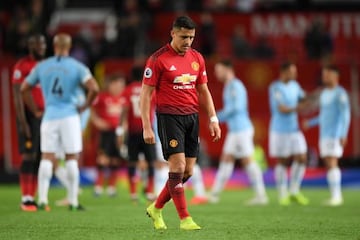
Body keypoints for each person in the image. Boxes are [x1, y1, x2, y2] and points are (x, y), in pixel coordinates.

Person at [140, 16, 221, 230]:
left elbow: (204, 90)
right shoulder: (157, 59)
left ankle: (156, 208)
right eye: (184, 36)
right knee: (178, 166)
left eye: (192, 37)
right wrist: (147, 126)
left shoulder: (197, 58)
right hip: (169, 117)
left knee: (188, 172)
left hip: (191, 117)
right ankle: (185, 218)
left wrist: (213, 118)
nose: (188, 41)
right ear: (173, 33)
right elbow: (145, 95)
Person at [21, 33, 99, 211]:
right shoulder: (77, 67)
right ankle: (73, 201)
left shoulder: (42, 66)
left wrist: (34, 110)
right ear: (69, 47)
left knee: (47, 157)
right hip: (70, 116)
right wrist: (84, 106)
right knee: (72, 157)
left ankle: (42, 199)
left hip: (49, 116)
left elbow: (24, 88)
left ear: (54, 46)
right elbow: (94, 88)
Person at [208, 60, 268, 205]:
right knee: (226, 159)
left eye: (219, 70)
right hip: (235, 131)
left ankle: (261, 196)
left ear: (227, 69)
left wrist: (216, 117)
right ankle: (214, 194)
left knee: (248, 160)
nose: (216, 73)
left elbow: (236, 108)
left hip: (241, 130)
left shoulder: (236, 86)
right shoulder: (229, 86)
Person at [303, 65, 350, 206]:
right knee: (328, 163)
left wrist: (343, 134)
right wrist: (311, 123)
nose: (324, 77)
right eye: (323, 75)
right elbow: (323, 116)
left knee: (332, 161)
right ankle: (334, 195)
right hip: (324, 134)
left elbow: (345, 115)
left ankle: (337, 196)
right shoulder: (324, 94)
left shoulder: (340, 93)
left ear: (335, 76)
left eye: (327, 75)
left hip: (335, 134)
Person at [12, 34, 46, 211]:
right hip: (29, 117)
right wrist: (23, 122)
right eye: (36, 44)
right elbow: (18, 95)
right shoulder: (22, 66)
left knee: (41, 157)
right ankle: (26, 198)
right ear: (30, 46)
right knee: (29, 156)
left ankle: (35, 198)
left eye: (42, 44)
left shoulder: (47, 65)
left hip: (45, 118)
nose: (40, 47)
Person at [269, 62, 309, 206]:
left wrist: (306, 101)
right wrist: (299, 107)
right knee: (283, 161)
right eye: (292, 71)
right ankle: (282, 194)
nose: (295, 74)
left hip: (294, 129)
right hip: (280, 130)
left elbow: (304, 98)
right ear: (284, 72)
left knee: (302, 157)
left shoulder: (296, 86)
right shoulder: (276, 88)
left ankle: (294, 190)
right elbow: (282, 109)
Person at [118, 66, 157, 202]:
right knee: (151, 162)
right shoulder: (149, 89)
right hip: (148, 130)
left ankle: (133, 193)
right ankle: (150, 192)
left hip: (133, 132)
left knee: (132, 163)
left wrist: (120, 129)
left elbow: (124, 110)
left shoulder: (127, 90)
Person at [91, 74, 126, 197]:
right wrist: (97, 121)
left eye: (121, 85)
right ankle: (98, 187)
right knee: (102, 159)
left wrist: (124, 128)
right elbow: (92, 110)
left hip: (118, 133)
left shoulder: (124, 98)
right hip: (106, 133)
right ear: (110, 84)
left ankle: (112, 188)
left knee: (116, 160)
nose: (119, 87)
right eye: (116, 84)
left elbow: (126, 116)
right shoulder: (102, 97)